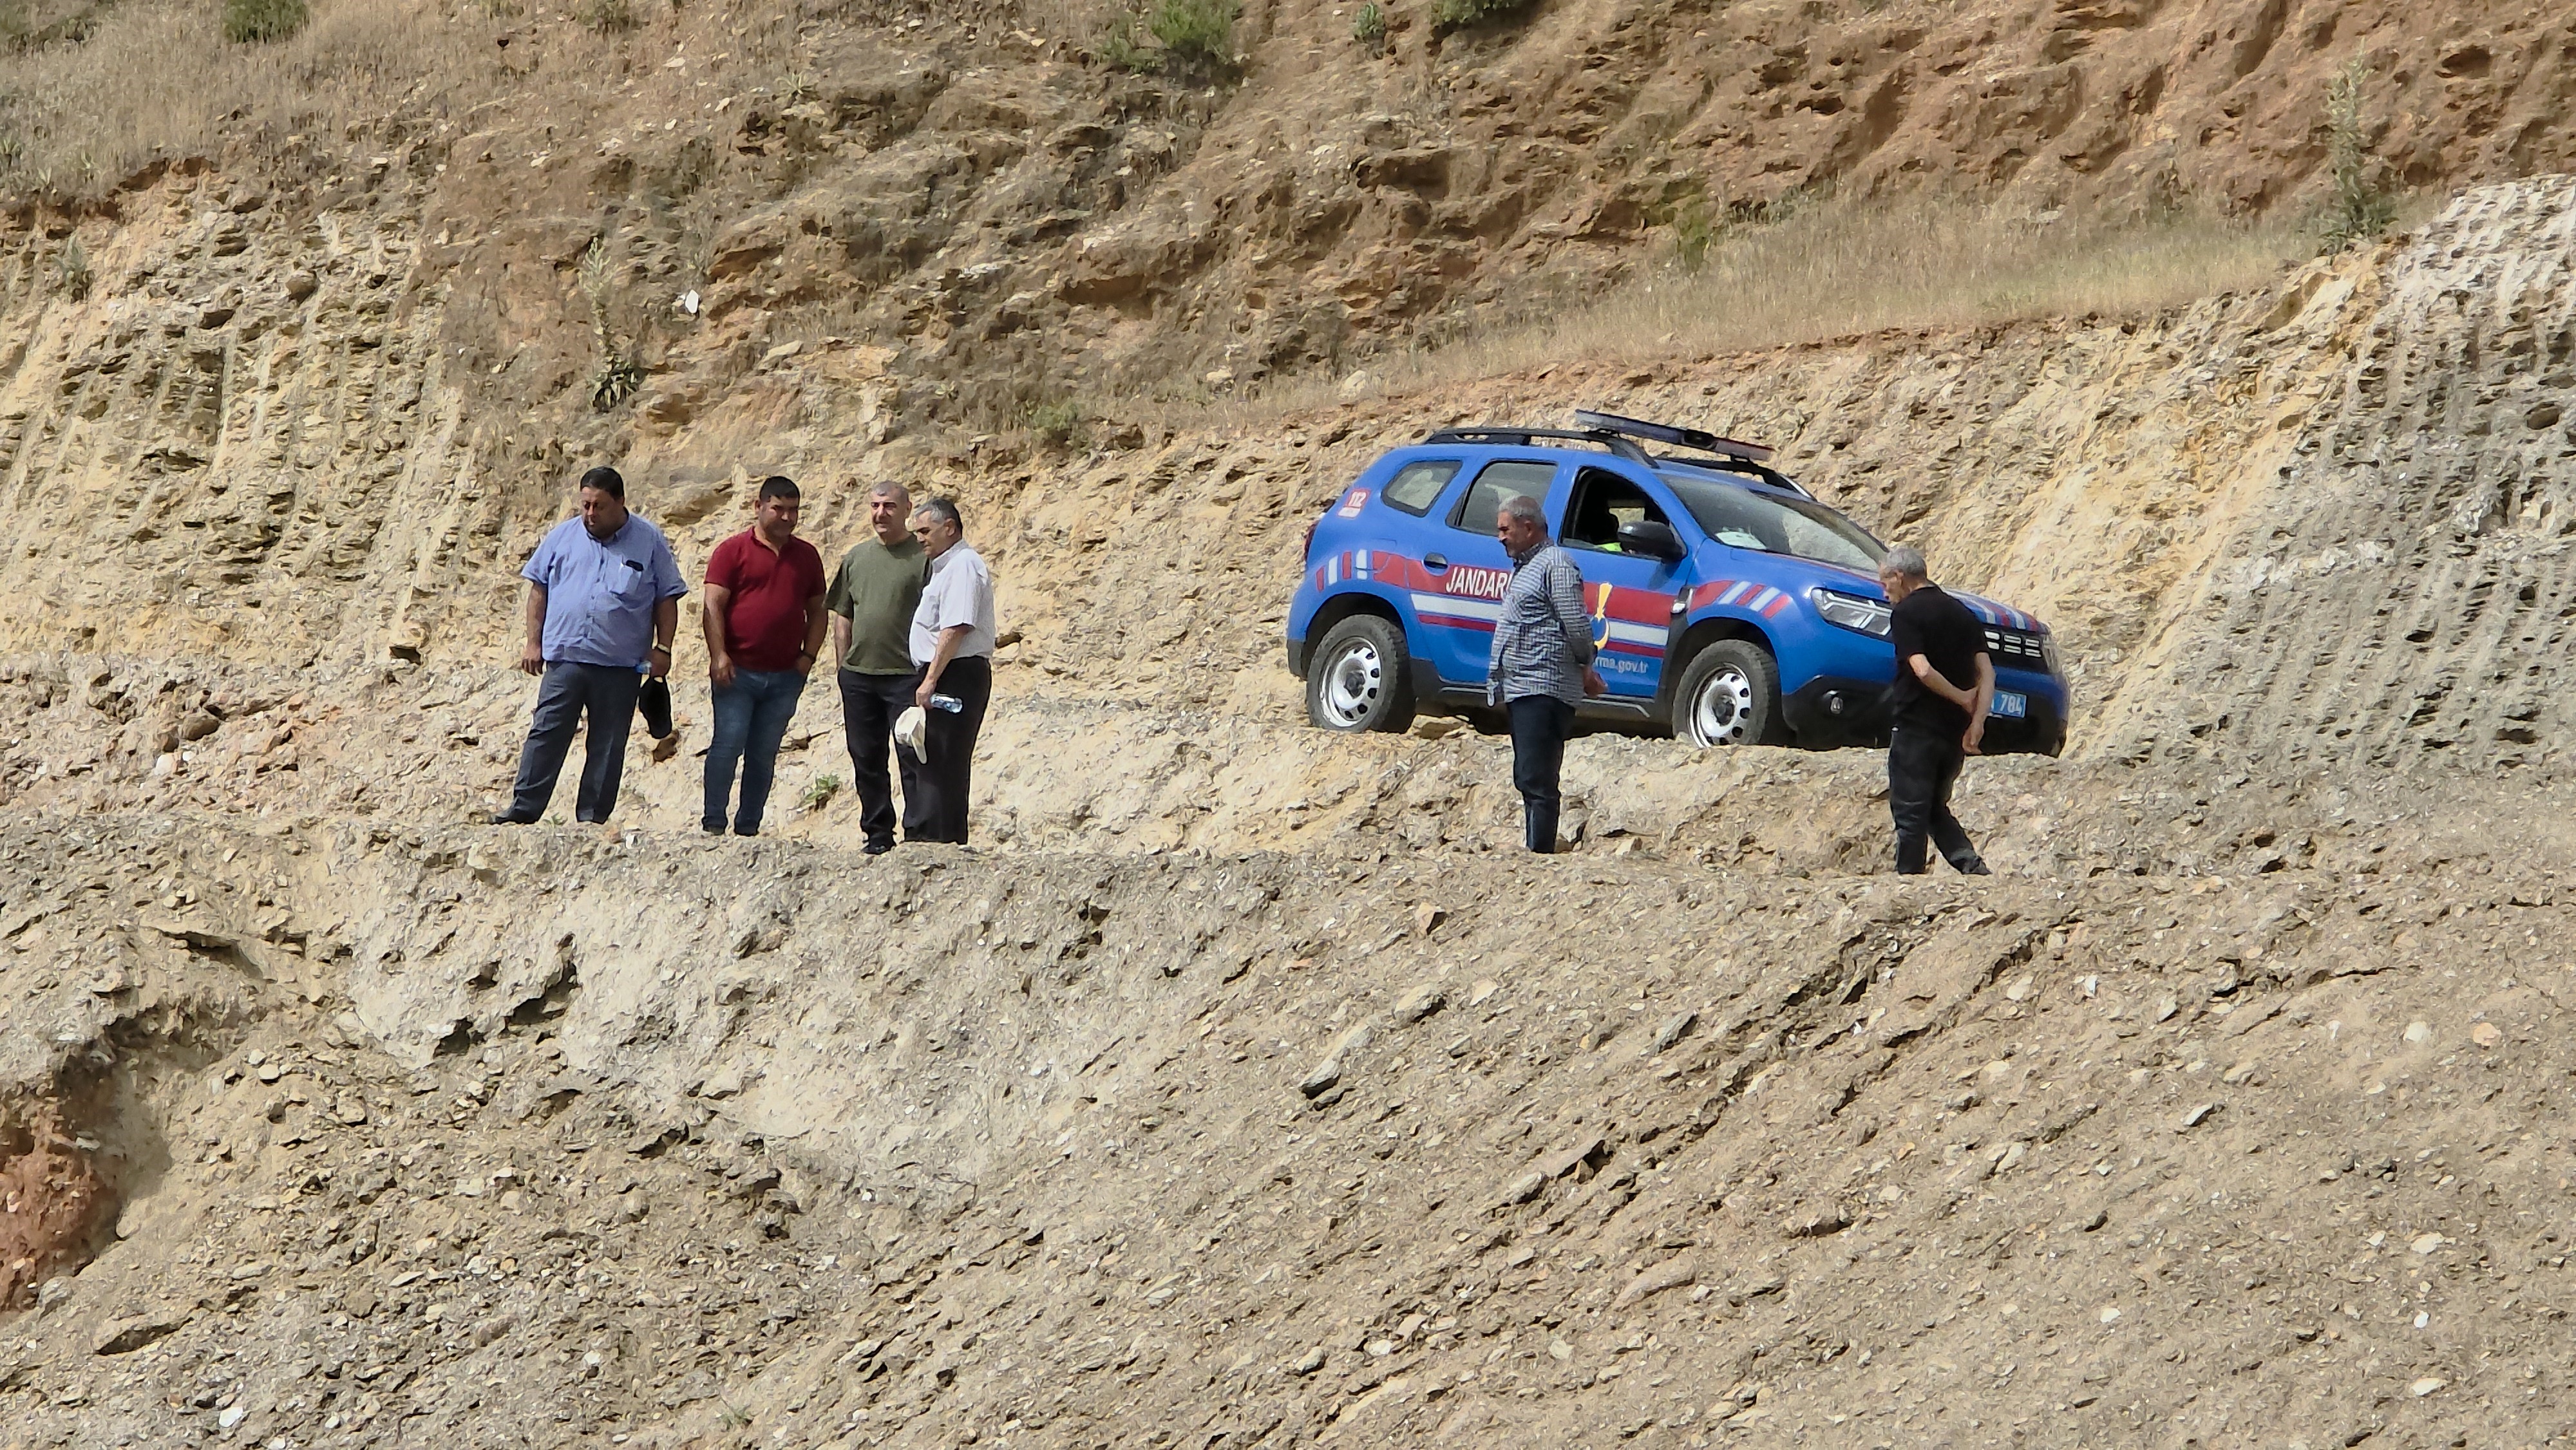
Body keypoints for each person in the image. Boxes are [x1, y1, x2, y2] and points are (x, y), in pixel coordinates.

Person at [495, 466, 685, 825]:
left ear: (620, 502)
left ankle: (592, 819)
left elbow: (666, 598)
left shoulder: (649, 541)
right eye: (585, 505)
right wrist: (532, 642)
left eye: (598, 506)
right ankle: (523, 811)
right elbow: (539, 589)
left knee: (609, 744)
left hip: (619, 666)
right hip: (565, 660)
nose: (590, 514)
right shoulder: (562, 537)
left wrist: (664, 648)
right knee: (546, 734)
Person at [701, 475, 828, 836]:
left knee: (764, 753)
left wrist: (808, 658)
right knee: (728, 744)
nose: (787, 518)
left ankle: (749, 827)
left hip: (785, 675)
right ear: (759, 507)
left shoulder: (806, 556)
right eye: (779, 509)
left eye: (794, 511)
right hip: (738, 673)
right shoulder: (732, 551)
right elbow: (713, 604)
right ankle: (713, 822)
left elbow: (818, 609)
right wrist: (719, 655)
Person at [1488, 493, 1604, 853]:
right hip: (1523, 686)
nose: (1501, 537)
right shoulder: (1527, 568)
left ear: (1529, 527)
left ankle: (1539, 857)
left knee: (1537, 778)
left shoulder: (1556, 564)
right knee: (1527, 775)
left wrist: (1586, 664)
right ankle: (1535, 849)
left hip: (1545, 686)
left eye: (1505, 529)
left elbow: (1576, 623)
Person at [825, 481, 928, 855]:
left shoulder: (924, 557)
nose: (880, 513)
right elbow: (842, 616)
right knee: (865, 758)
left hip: (905, 675)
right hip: (859, 677)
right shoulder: (856, 558)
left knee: (912, 757)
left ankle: (919, 833)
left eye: (889, 506)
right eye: (874, 505)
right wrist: (842, 669)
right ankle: (878, 833)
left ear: (906, 510)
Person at [1879, 544, 1994, 876]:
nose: (1884, 591)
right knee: (1933, 808)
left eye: (1884, 582)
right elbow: (1987, 672)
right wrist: (1977, 722)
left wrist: (1959, 696)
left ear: (1899, 577)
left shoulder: (1906, 613)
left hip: (1917, 727)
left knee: (1910, 812)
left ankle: (1908, 883)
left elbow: (1922, 669)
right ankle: (1973, 868)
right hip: (1953, 732)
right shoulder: (1963, 612)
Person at [905, 496, 996, 844]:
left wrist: (930, 679)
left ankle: (940, 839)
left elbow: (956, 626)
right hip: (946, 671)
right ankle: (933, 835)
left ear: (949, 528)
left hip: (954, 673)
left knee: (942, 754)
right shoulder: (946, 567)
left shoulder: (963, 566)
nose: (920, 538)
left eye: (926, 531)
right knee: (929, 751)